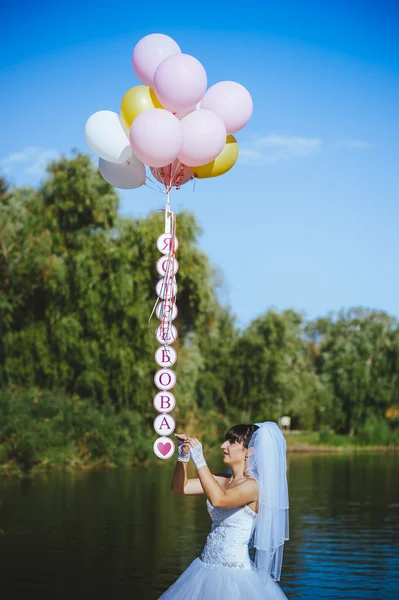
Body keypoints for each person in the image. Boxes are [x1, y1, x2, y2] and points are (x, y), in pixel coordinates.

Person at [158, 422, 289, 599]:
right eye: (225, 440)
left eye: (232, 442)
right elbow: (180, 487)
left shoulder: (253, 487)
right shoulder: (221, 479)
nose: (223, 446)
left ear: (250, 451)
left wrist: (200, 460)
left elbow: (219, 500)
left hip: (235, 577)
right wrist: (183, 457)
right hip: (204, 568)